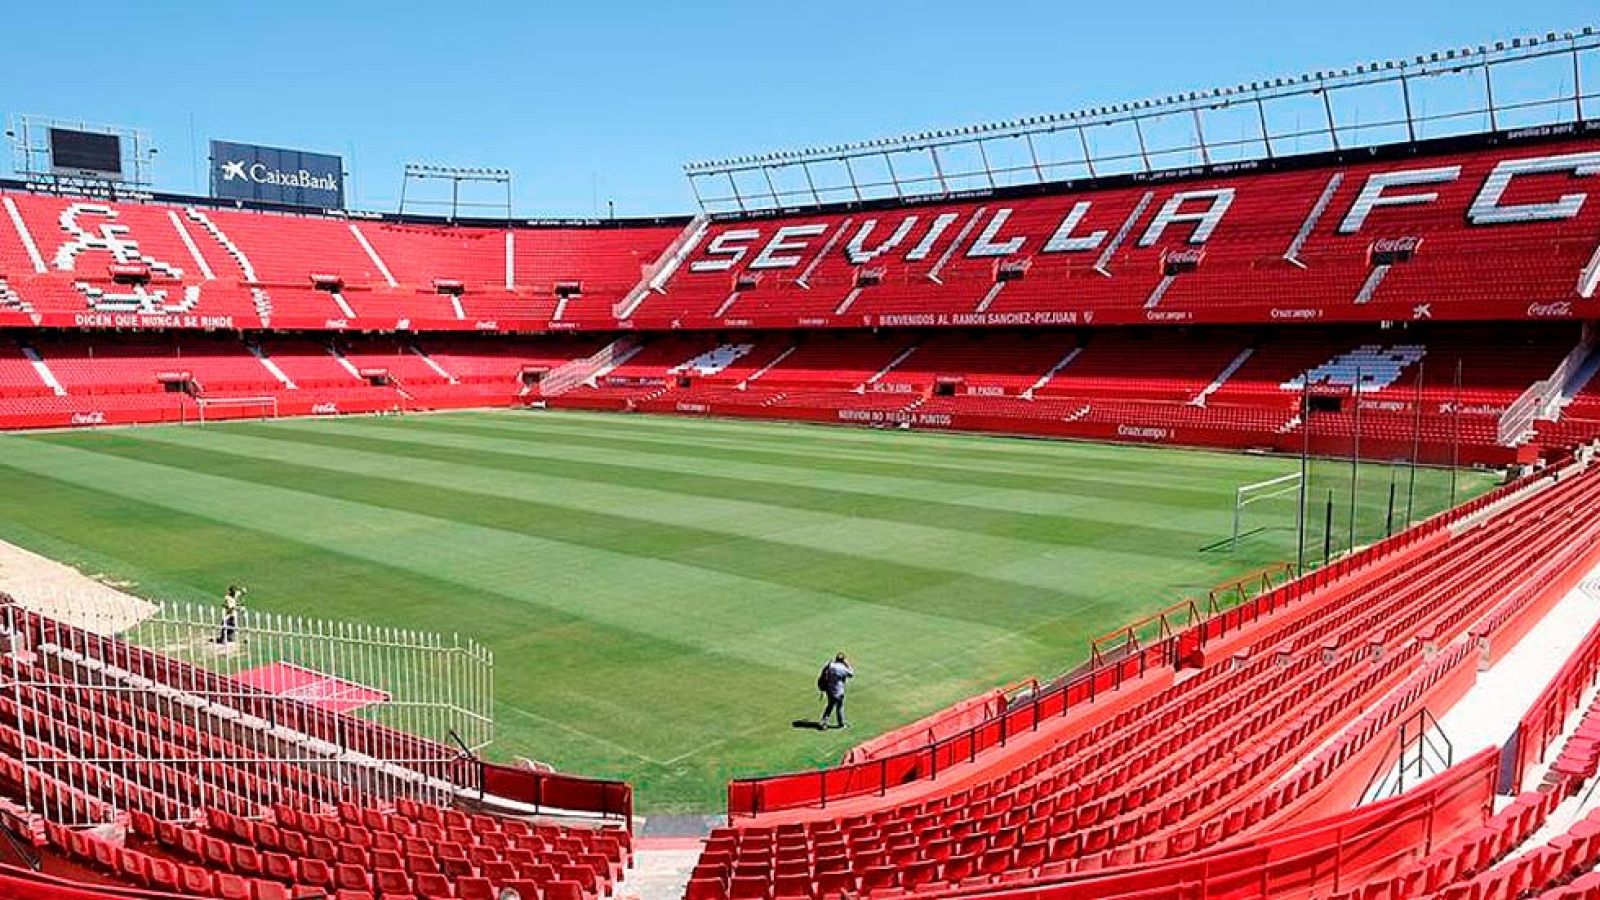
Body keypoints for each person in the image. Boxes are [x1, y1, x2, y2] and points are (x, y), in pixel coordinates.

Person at [817, 653, 854, 729]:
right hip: (839, 691)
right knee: (839, 707)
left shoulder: (830, 665)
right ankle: (841, 724)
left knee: (829, 706)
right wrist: (847, 664)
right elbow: (851, 674)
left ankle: (823, 722)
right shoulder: (843, 668)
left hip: (829, 690)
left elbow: (823, 673)